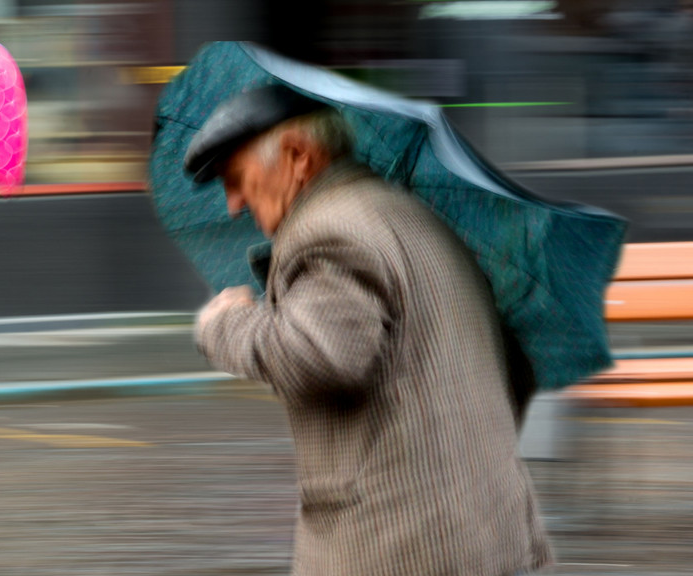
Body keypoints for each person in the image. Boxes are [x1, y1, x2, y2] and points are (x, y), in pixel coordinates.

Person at [186, 86, 552, 576]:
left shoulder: (328, 229)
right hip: (491, 531)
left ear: (297, 155)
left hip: (398, 548)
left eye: (237, 178)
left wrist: (223, 325)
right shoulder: (414, 216)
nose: (233, 204)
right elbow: (514, 367)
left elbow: (316, 359)